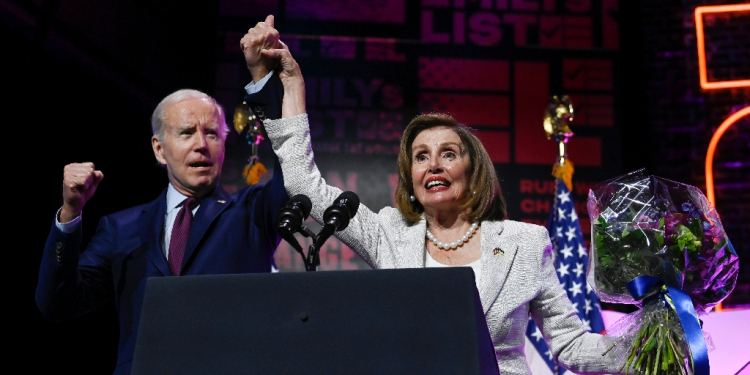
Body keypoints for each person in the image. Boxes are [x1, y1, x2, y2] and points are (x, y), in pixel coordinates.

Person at [242, 17, 623, 375]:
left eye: (448, 154)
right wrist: (292, 85)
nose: (433, 165)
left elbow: (570, 343)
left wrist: (654, 346)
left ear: (472, 171)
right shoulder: (388, 232)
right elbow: (305, 184)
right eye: (421, 157)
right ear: (411, 176)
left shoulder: (525, 243)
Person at [35, 88, 288, 375]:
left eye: (212, 133)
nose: (201, 145)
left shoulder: (252, 213)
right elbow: (57, 303)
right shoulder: (121, 228)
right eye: (186, 132)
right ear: (159, 149)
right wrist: (70, 213)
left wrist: (267, 82)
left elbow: (293, 172)